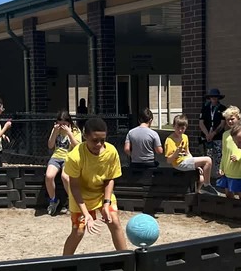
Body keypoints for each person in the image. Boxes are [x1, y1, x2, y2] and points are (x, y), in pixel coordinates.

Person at [62, 115, 127, 256]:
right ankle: (64, 263)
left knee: (114, 221)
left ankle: (126, 259)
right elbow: (74, 187)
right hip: (81, 196)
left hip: (102, 194)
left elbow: (110, 179)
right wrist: (86, 214)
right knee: (78, 231)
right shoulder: (75, 156)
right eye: (95, 140)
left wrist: (106, 204)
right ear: (85, 136)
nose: (99, 144)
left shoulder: (111, 152)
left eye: (102, 140)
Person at [45, 110, 80, 216]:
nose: (62, 126)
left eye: (64, 124)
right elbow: (50, 145)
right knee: (49, 176)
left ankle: (72, 201)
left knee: (65, 177)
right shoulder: (56, 130)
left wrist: (69, 133)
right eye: (60, 124)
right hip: (56, 156)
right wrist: (55, 132)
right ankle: (53, 200)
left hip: (69, 157)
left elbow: (78, 146)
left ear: (69, 123)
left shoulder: (75, 130)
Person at [165, 114, 213, 188]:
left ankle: (197, 192)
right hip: (178, 163)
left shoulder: (185, 137)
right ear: (173, 126)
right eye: (178, 127)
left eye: (182, 128)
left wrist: (196, 165)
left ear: (186, 128)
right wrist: (176, 152)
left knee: (201, 179)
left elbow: (187, 152)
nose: (180, 130)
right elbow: (168, 161)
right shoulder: (169, 140)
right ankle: (207, 186)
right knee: (208, 160)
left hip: (186, 160)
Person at [216, 105, 241, 200]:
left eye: (232, 119)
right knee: (228, 194)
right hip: (227, 171)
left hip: (237, 172)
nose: (230, 121)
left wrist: (238, 157)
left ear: (238, 118)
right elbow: (224, 152)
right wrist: (221, 167)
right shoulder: (225, 134)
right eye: (227, 120)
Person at [124, 108, 163, 174]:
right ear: (150, 120)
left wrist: (133, 155)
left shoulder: (131, 132)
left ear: (139, 120)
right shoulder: (153, 134)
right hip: (149, 163)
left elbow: (126, 149)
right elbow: (159, 151)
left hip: (135, 163)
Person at [199, 88, 226, 178]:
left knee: (219, 157)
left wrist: (213, 133)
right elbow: (201, 123)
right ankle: (206, 177)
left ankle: (219, 176)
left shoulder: (222, 108)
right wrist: (207, 134)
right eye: (212, 97)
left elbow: (222, 123)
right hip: (206, 137)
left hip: (218, 137)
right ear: (209, 98)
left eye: (216, 97)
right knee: (207, 157)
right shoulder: (205, 108)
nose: (214, 98)